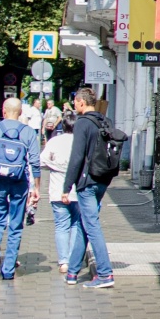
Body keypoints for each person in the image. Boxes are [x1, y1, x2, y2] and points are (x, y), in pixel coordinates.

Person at [0, 97, 40, 281]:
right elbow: (35, 162)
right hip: (19, 182)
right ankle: (8, 269)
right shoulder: (28, 132)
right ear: (20, 113)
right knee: (15, 225)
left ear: (3, 111)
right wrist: (36, 187)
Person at [59, 87, 116, 289]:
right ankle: (73, 272)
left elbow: (76, 157)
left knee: (91, 226)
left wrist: (66, 187)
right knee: (84, 224)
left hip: (87, 182)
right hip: (102, 179)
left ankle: (105, 274)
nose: (74, 105)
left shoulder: (82, 123)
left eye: (75, 102)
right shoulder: (104, 121)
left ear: (82, 102)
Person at [40, 124, 76, 276]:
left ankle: (64, 262)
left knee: (62, 226)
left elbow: (41, 161)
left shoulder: (54, 141)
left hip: (57, 190)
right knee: (76, 225)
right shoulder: (80, 140)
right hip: (77, 190)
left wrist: (55, 166)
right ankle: (74, 260)